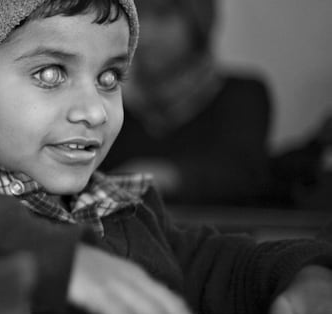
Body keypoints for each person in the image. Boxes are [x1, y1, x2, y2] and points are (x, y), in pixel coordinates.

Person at [0, 0, 332, 314]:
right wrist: (62, 258)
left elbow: (220, 263)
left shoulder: (125, 211)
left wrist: (302, 275)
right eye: (50, 73)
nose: (95, 111)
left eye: (109, 77)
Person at [100, 0, 274, 206]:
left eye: (162, 16)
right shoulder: (111, 103)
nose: (144, 35)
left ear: (197, 25)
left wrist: (165, 177)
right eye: (136, 19)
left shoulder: (240, 96)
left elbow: (245, 175)